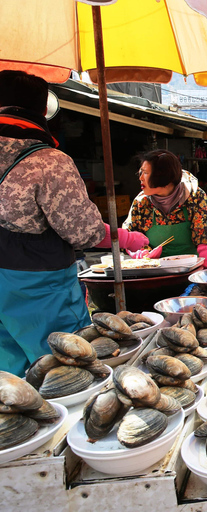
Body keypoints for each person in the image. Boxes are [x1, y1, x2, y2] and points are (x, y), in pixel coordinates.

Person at [0, 70, 147, 376]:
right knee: (69, 367)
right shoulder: (48, 162)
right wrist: (125, 237)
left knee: (8, 379)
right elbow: (85, 231)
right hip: (38, 288)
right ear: (43, 110)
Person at [125, 150, 207, 269]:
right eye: (141, 172)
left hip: (191, 269)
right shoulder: (141, 203)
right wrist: (141, 253)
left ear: (164, 179)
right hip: (155, 271)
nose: (140, 178)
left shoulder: (195, 198)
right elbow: (129, 238)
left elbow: (205, 241)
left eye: (146, 173)